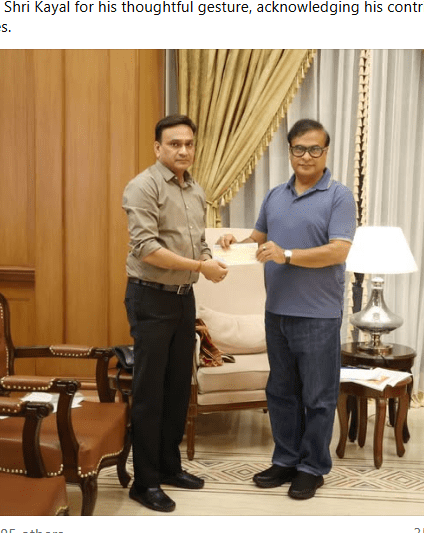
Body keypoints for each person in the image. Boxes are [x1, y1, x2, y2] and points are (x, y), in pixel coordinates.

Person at [218, 118, 356, 500]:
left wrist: (288, 255)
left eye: (314, 149)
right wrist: (232, 242)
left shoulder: (339, 196)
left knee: (318, 397)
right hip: (276, 312)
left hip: (319, 315)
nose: (306, 156)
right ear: (290, 151)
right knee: (280, 392)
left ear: (326, 152)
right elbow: (257, 240)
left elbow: (339, 251)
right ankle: (285, 460)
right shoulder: (274, 195)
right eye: (299, 149)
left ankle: (312, 468)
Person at [123, 114, 229, 512]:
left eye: (188, 144)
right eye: (174, 144)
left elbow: (198, 242)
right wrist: (202, 266)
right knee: (150, 392)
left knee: (177, 389)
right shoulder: (143, 186)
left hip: (184, 298)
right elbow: (147, 248)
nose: (183, 150)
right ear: (158, 147)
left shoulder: (195, 189)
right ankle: (144, 482)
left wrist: (211, 256)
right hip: (150, 297)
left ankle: (169, 467)